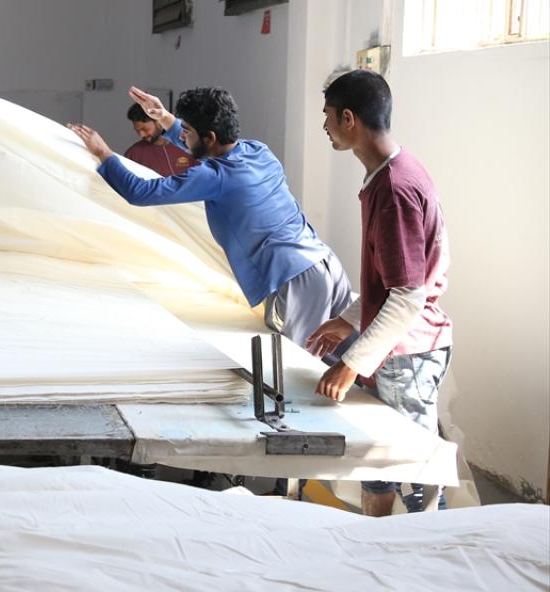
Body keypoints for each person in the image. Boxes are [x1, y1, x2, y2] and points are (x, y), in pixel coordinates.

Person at [68, 85, 351, 348]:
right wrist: (163, 117)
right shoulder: (257, 150)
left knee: (299, 365)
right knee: (345, 364)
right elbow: (202, 147)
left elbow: (141, 192)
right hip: (325, 264)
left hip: (297, 279)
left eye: (187, 131)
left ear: (210, 137)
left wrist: (103, 153)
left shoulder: (215, 176)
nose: (181, 136)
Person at [307, 70, 452, 516]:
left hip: (407, 355)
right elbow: (391, 281)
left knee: (414, 474)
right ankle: (375, 544)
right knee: (378, 466)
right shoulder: (391, 173)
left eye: (328, 115)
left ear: (348, 118)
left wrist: (351, 363)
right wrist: (349, 319)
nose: (325, 126)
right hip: (396, 349)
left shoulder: (394, 190)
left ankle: (427, 552)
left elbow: (407, 296)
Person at [123, 102, 196, 176]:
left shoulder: (188, 145)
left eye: (145, 129)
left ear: (159, 122)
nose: (142, 135)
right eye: (138, 131)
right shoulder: (133, 154)